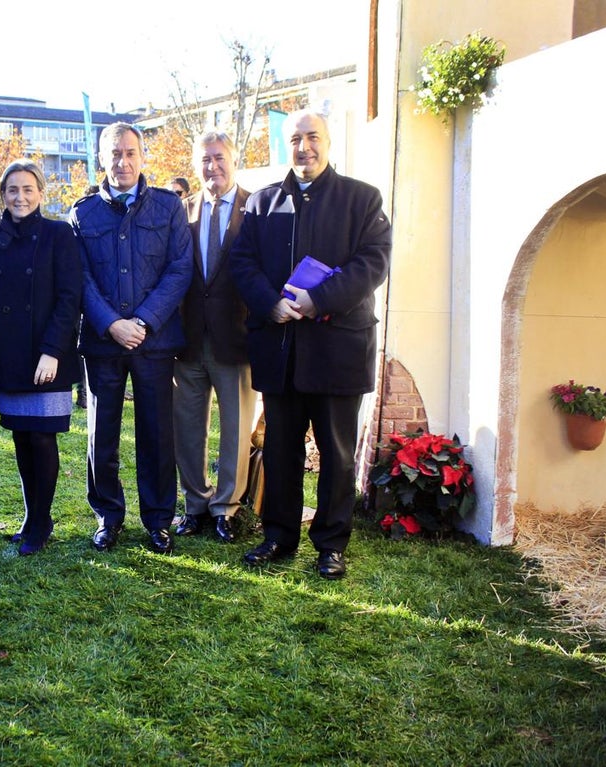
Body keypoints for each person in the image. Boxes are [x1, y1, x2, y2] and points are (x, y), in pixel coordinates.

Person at [229, 108, 392, 580]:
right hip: (280, 348)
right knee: (281, 449)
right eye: (296, 139)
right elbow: (243, 264)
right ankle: (278, 536)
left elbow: (373, 263)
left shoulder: (361, 199)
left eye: (313, 137)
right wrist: (270, 304)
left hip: (337, 349)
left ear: (328, 140)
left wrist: (316, 299)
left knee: (337, 454)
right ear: (287, 145)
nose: (305, 147)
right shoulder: (261, 203)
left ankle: (331, 544)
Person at [71, 122, 192, 554]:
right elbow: (79, 278)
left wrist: (142, 321)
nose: (122, 162)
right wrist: (111, 324)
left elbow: (180, 269)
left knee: (157, 434)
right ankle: (107, 515)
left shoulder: (168, 208)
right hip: (104, 344)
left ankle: (158, 519)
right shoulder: (82, 213)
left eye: (130, 153)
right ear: (101, 158)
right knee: (101, 435)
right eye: (114, 154)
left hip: (154, 342)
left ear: (143, 157)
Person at [0, 160, 82, 555]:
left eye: (28, 189)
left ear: (41, 193)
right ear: (4, 195)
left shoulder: (58, 234)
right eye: (13, 190)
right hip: (9, 355)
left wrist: (52, 351)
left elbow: (70, 298)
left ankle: (40, 521)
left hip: (48, 355)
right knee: (21, 436)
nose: (21, 197)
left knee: (41, 437)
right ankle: (31, 515)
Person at [174, 131, 255, 544]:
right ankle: (194, 503)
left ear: (233, 159)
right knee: (187, 427)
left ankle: (226, 507)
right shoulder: (182, 211)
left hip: (236, 338)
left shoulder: (256, 207)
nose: (212, 167)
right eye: (204, 160)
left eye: (219, 158)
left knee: (235, 428)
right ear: (196, 165)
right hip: (188, 340)